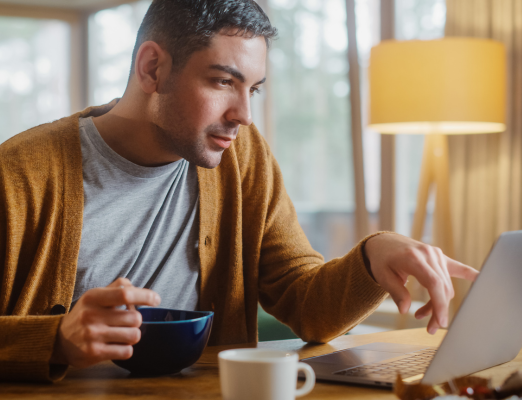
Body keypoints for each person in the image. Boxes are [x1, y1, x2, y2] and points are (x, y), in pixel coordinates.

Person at [0, 0, 478, 383]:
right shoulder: (19, 174)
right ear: (152, 69)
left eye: (254, 89)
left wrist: (374, 255)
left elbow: (305, 303)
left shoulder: (242, 157)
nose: (243, 115)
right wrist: (55, 340)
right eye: (223, 81)